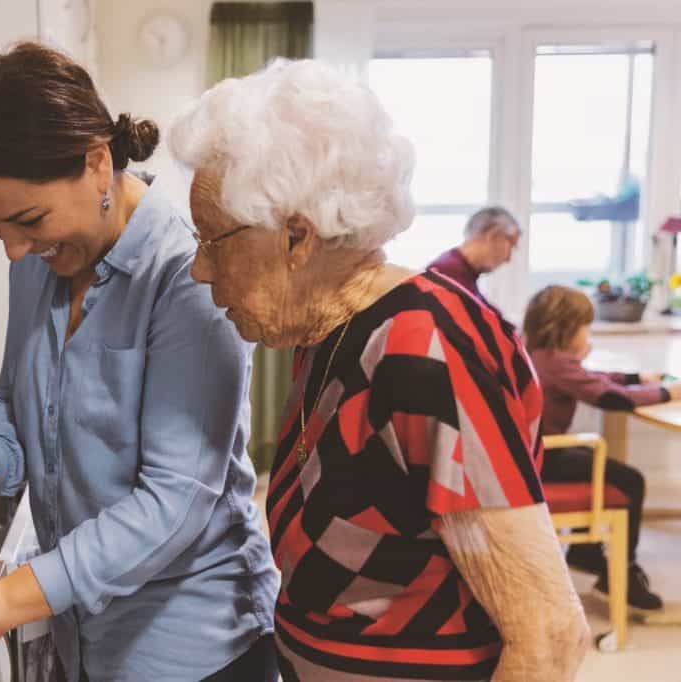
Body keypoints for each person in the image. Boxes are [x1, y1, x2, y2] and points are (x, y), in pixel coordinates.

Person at [170, 58, 589, 681]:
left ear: (296, 237)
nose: (200, 269)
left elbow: (550, 635)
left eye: (213, 240)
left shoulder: (427, 349)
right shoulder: (331, 334)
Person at [0, 42, 279, 682]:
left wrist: (4, 600)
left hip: (190, 647)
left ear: (97, 163)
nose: (12, 250)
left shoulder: (186, 278)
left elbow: (174, 502)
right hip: (79, 635)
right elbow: (15, 397)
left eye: (26, 219)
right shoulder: (40, 260)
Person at [524, 285, 678, 612]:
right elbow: (611, 398)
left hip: (530, 454)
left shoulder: (540, 355)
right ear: (566, 329)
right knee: (630, 480)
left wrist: (637, 376)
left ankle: (587, 552)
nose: (588, 334)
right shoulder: (556, 363)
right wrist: (669, 392)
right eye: (586, 327)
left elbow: (591, 378)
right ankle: (622, 574)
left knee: (596, 459)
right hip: (540, 460)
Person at [428, 207, 521, 305]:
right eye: (511, 246)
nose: (508, 259)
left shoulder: (461, 272)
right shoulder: (446, 275)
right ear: (493, 236)